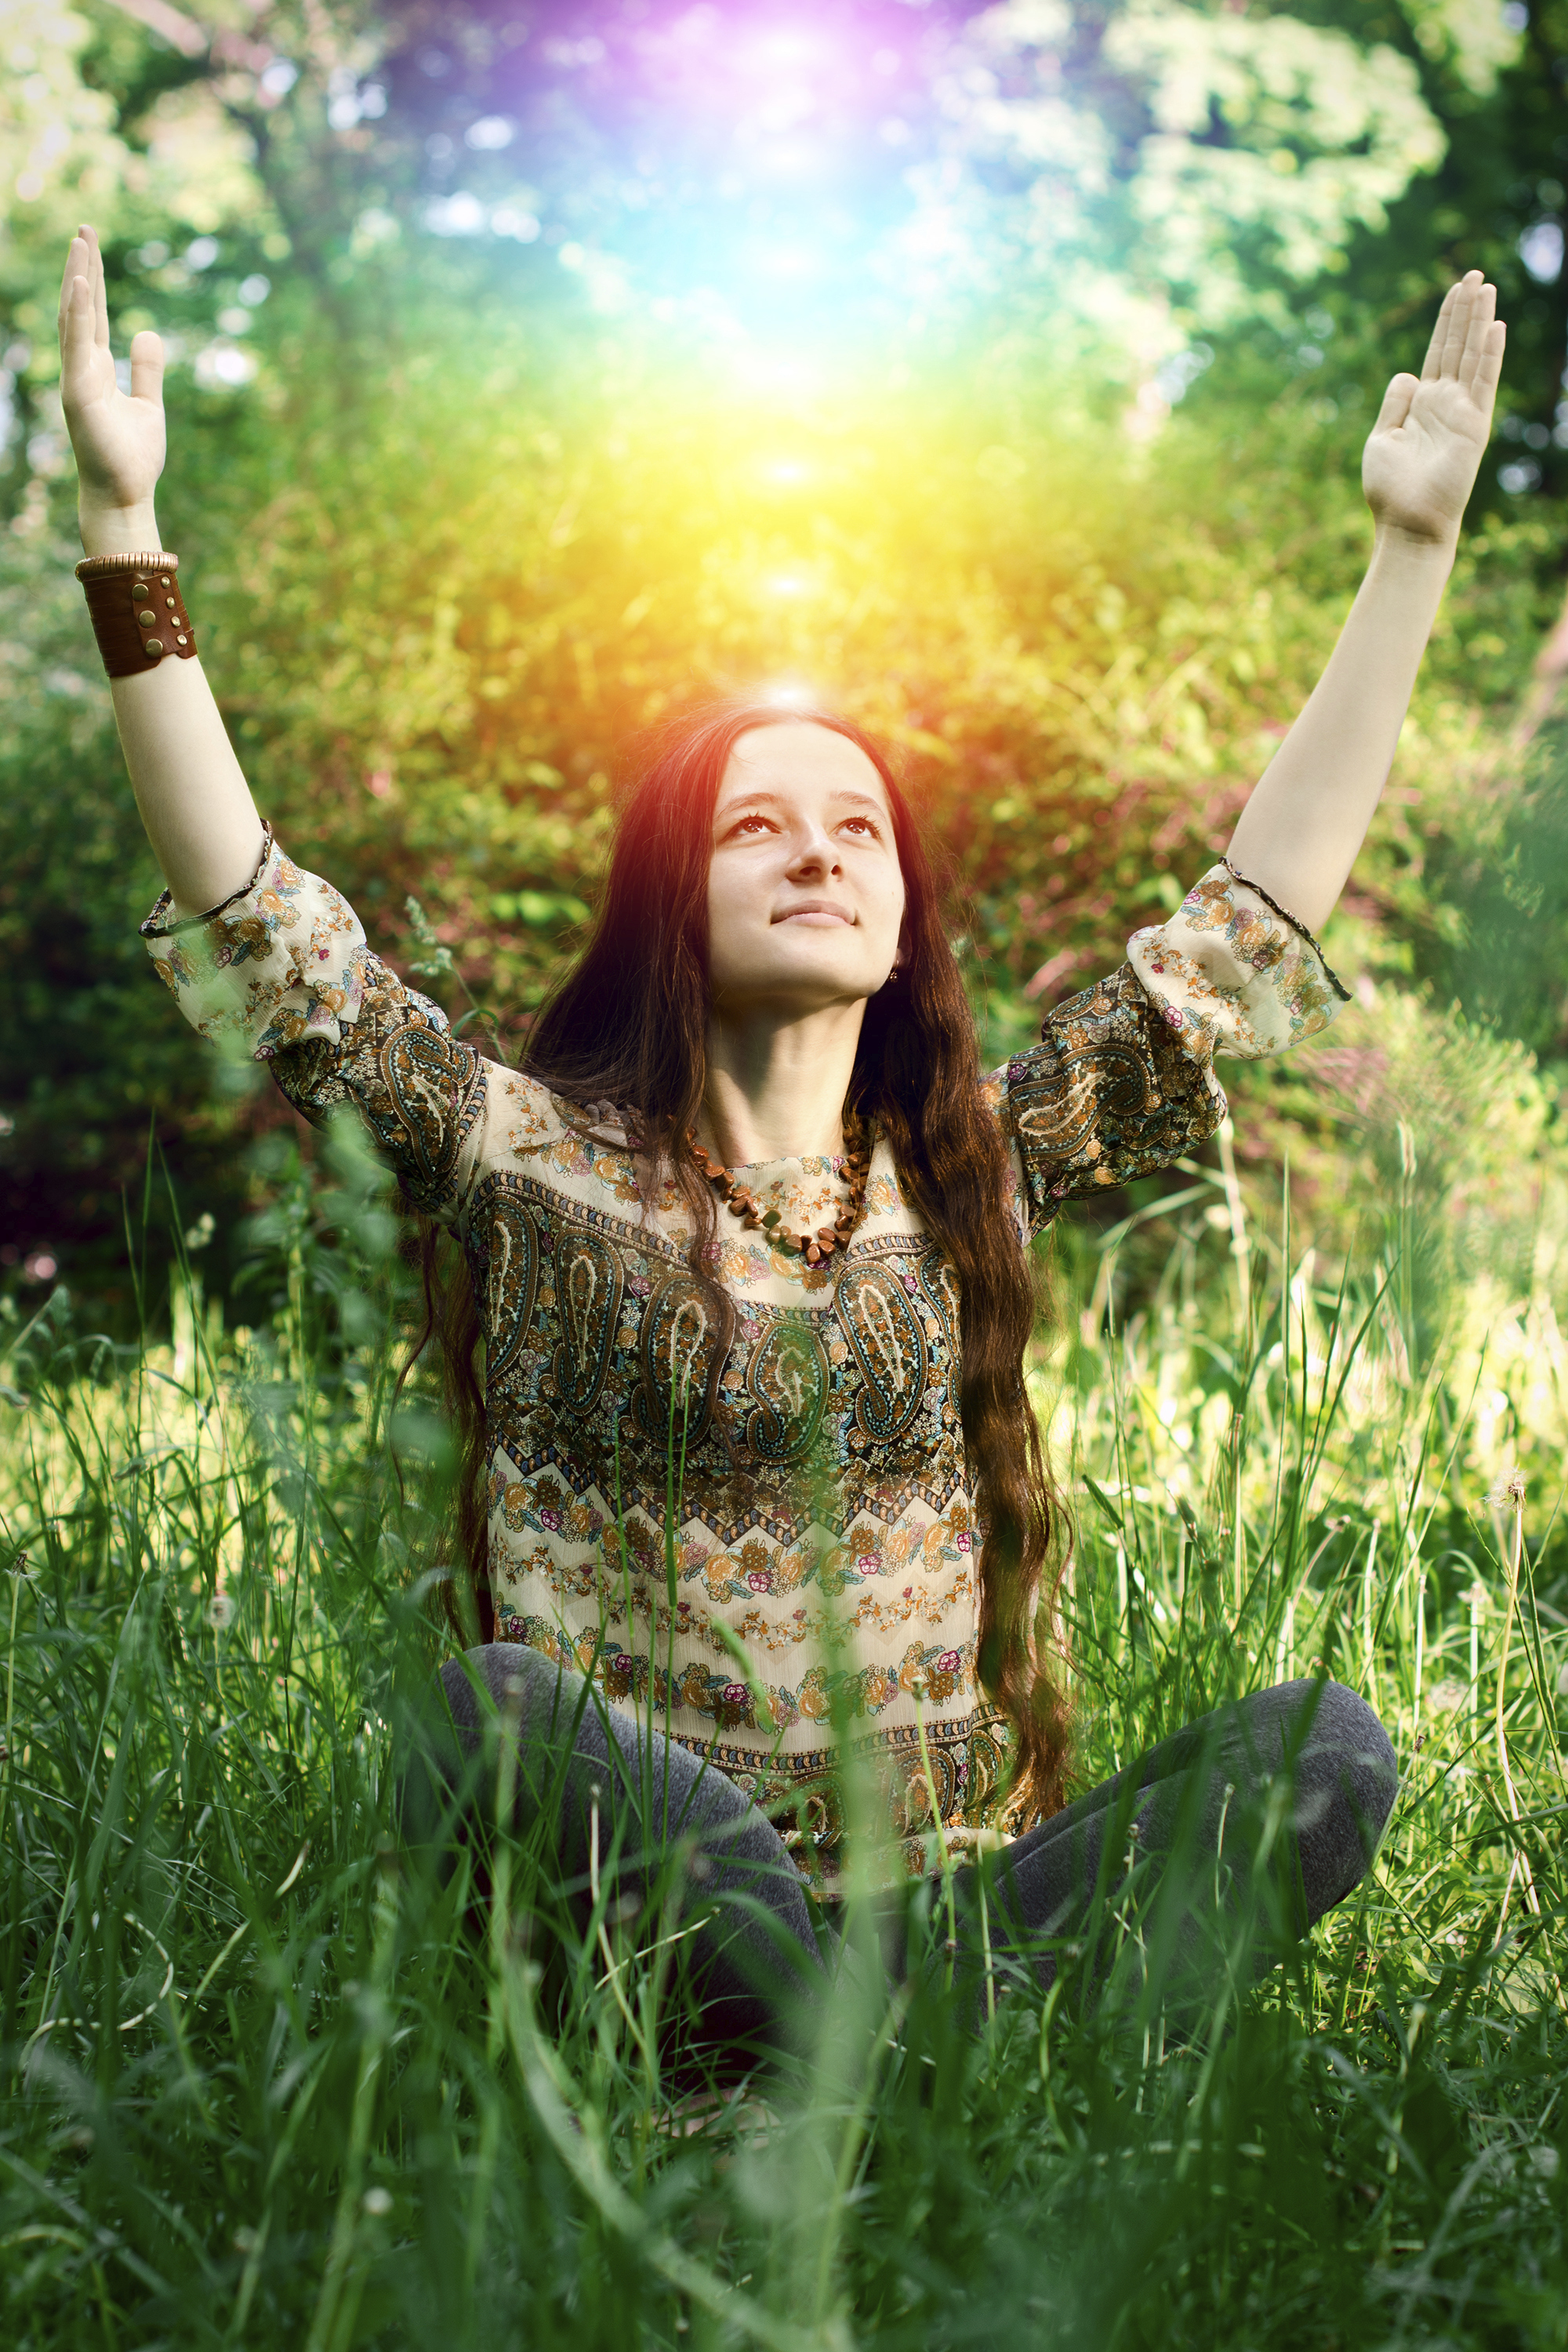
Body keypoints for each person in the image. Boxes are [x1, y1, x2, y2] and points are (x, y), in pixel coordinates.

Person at [56, 223, 1504, 2056]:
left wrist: (1409, 551)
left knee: (1326, 1750)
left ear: (899, 918)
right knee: (490, 1709)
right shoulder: (523, 1158)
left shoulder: (974, 1169)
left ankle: (862, 2051)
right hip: (655, 1916)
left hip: (957, 1907)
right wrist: (124, 534)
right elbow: (269, 931)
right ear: (678, 894)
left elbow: (1249, 926)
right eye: (759, 826)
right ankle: (874, 2058)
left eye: (858, 829)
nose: (822, 849)